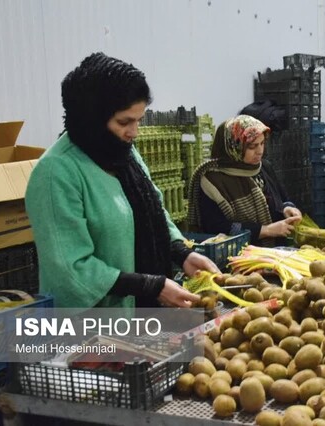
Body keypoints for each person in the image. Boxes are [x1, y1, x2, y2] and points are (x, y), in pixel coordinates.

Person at [25, 52, 220, 309]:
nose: (134, 132)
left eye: (139, 120)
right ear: (92, 116)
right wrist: (148, 285)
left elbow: (155, 211)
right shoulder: (56, 173)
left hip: (143, 315)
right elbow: (70, 269)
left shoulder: (124, 154)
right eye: (124, 122)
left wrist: (180, 253)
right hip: (94, 332)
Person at [187, 115, 302, 247]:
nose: (260, 151)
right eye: (252, 146)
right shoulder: (213, 181)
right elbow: (216, 227)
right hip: (240, 254)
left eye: (262, 143)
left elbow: (282, 199)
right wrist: (266, 231)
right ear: (234, 147)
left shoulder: (263, 167)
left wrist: (288, 209)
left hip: (275, 251)